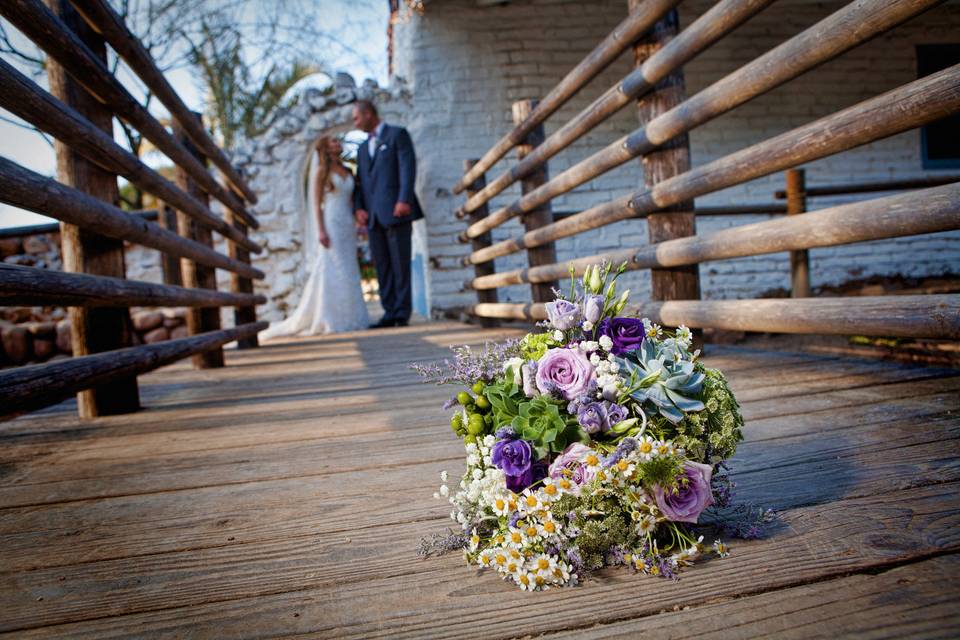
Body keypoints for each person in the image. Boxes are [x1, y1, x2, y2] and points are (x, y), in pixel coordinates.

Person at [259, 136, 369, 339]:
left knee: (349, 268)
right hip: (331, 222)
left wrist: (358, 222)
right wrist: (321, 230)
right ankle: (332, 317)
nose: (338, 144)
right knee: (333, 267)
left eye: (338, 141)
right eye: (333, 142)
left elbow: (353, 201)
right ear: (326, 148)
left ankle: (353, 316)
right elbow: (316, 205)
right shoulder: (321, 172)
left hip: (347, 223)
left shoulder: (348, 171)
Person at [352, 100, 423, 328]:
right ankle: (389, 311)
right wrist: (359, 208)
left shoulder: (397, 135)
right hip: (373, 217)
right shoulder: (362, 148)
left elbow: (407, 167)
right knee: (382, 266)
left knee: (400, 264)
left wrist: (404, 199)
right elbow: (361, 181)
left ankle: (402, 313)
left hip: (397, 210)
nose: (355, 123)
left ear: (369, 113)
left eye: (356, 118)